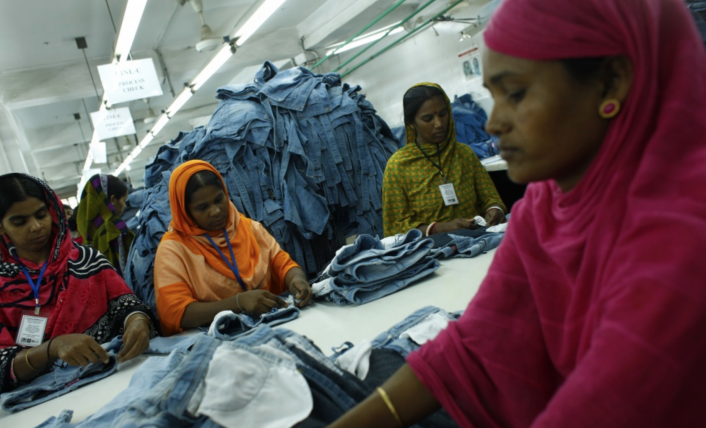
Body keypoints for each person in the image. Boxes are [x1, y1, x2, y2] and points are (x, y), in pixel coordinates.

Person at [330, 0, 706, 426]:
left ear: (610, 83)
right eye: (494, 96)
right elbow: (477, 342)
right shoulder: (546, 208)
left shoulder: (684, 241)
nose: (493, 124)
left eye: (517, 93)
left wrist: (489, 212)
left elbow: (601, 408)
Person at [0, 174, 157, 393]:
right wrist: (52, 349)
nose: (36, 226)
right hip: (42, 400)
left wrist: (138, 320)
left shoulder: (87, 260)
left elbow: (126, 304)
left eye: (41, 215)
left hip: (117, 377)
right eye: (19, 222)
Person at [154, 160, 313, 336]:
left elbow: (282, 264)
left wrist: (297, 279)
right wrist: (238, 303)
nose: (216, 211)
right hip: (215, 339)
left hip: (268, 328)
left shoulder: (248, 228)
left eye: (219, 199)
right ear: (185, 211)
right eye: (202, 207)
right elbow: (176, 312)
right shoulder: (173, 250)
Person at [382, 83, 506, 237]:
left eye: (443, 114)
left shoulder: (464, 154)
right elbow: (395, 228)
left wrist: (494, 210)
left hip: (479, 239)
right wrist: (440, 228)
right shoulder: (399, 166)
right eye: (428, 119)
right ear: (411, 122)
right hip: (433, 248)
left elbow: (489, 197)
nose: (439, 124)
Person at [77, 174, 133, 277]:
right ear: (113, 199)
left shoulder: (88, 232)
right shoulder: (115, 228)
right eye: (124, 200)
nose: (125, 206)